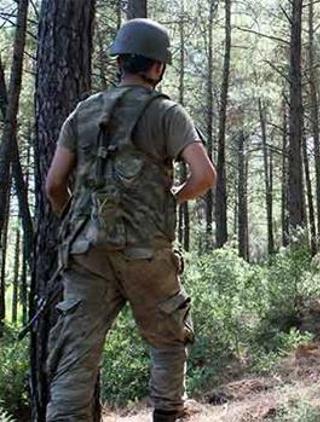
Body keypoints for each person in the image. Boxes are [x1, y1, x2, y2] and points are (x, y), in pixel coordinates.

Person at [43, 18, 216, 422]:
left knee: (76, 355)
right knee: (167, 341)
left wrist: (75, 220)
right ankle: (168, 414)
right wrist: (173, 198)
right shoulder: (168, 113)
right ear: (157, 66)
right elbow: (204, 176)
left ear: (120, 61)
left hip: (87, 253)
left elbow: (54, 184)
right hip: (146, 250)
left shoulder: (82, 113)